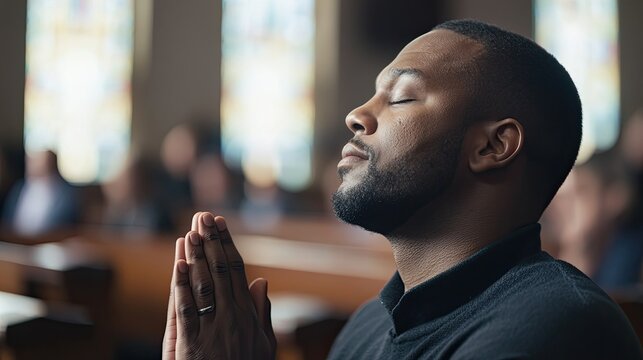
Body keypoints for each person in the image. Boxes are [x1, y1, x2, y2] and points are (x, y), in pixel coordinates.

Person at [162, 20, 642, 359]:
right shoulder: (369, 325)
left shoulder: (558, 329)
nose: (357, 115)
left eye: (402, 97)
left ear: (494, 145)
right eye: (373, 94)